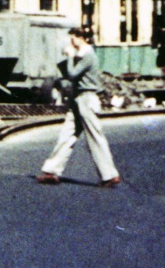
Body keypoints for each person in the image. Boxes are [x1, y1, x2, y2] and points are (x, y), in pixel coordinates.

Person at [36, 26, 121, 188]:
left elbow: (73, 74)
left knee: (95, 136)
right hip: (78, 98)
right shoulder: (83, 54)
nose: (71, 40)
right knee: (67, 134)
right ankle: (52, 171)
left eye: (74, 37)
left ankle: (110, 175)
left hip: (87, 99)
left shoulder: (88, 55)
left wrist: (69, 57)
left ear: (83, 38)